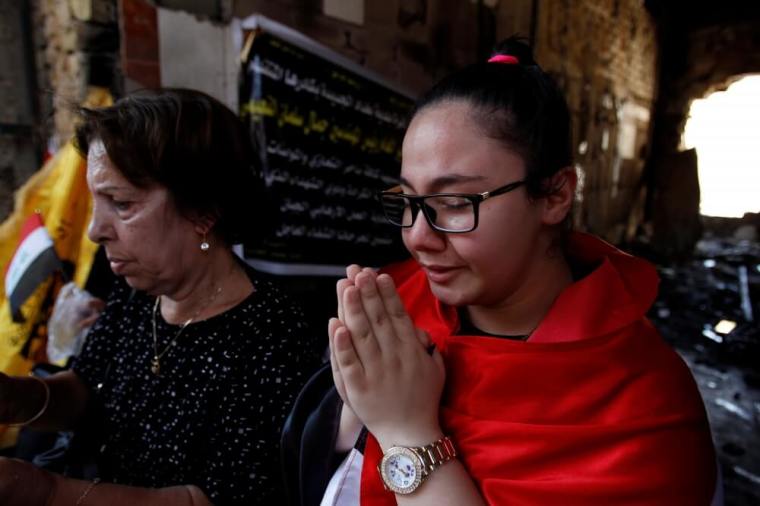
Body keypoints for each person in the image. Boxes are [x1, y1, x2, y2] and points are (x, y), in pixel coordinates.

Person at [283, 37, 718, 505]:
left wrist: (404, 428)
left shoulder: (642, 402)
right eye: (409, 201)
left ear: (554, 195)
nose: (417, 238)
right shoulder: (402, 306)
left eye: (454, 203)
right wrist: (351, 409)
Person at [0, 88, 320, 506]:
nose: (96, 230)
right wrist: (15, 398)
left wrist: (43, 492)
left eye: (121, 203)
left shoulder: (273, 337)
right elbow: (87, 391)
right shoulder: (139, 293)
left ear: (203, 210)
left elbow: (208, 500)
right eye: (98, 202)